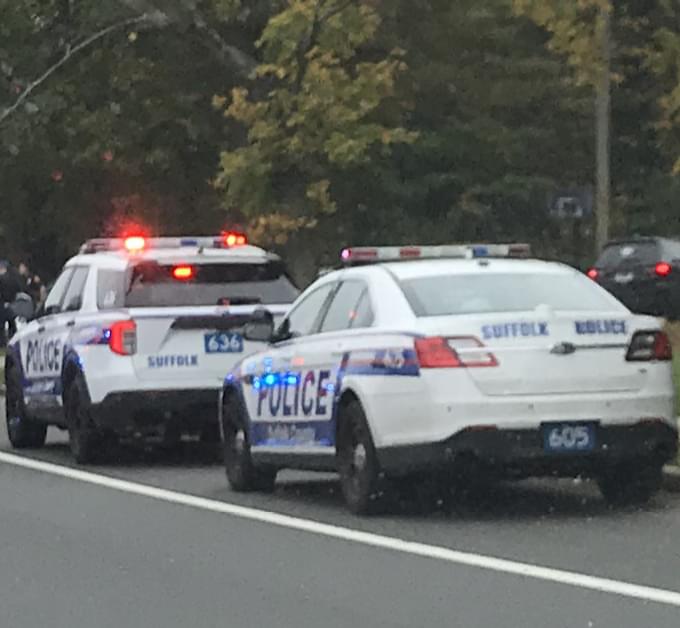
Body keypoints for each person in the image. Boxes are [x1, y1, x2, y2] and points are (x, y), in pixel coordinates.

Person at [0, 261, 22, 346]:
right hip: (12, 303)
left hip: (2, 303)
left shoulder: (3, 279)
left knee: (2, 326)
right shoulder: (13, 277)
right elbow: (18, 288)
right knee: (12, 323)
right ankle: (12, 340)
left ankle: (2, 343)